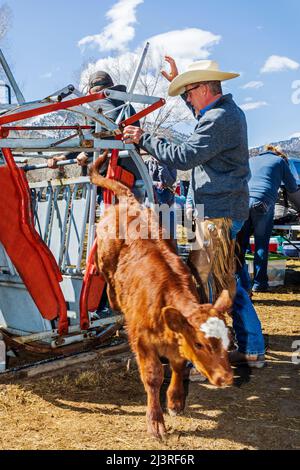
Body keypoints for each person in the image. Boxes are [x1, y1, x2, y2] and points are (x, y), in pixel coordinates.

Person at [123, 56, 265, 368]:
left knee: (217, 283)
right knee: (228, 278)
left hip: (218, 212)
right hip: (222, 209)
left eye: (189, 92)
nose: (187, 98)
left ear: (203, 89)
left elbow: (185, 155)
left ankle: (239, 349)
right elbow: (202, 129)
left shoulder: (220, 119)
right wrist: (179, 80)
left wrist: (143, 138)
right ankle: (250, 345)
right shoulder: (221, 114)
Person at [47, 70, 141, 181]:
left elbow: (112, 127)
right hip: (133, 174)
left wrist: (86, 153)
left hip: (114, 176)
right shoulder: (125, 106)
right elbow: (93, 136)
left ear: (89, 91)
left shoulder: (100, 103)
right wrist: (65, 156)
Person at [238, 145, 298, 293]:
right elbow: (292, 188)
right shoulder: (280, 162)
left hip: (243, 202)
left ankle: (240, 282)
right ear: (280, 155)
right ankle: (259, 284)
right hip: (263, 203)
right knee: (261, 244)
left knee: (241, 245)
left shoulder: (251, 160)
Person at [144, 156, 177, 239]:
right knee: (152, 234)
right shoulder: (146, 163)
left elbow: (168, 181)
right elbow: (143, 180)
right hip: (151, 204)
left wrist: (161, 163)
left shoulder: (171, 162)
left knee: (169, 235)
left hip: (167, 204)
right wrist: (156, 183)